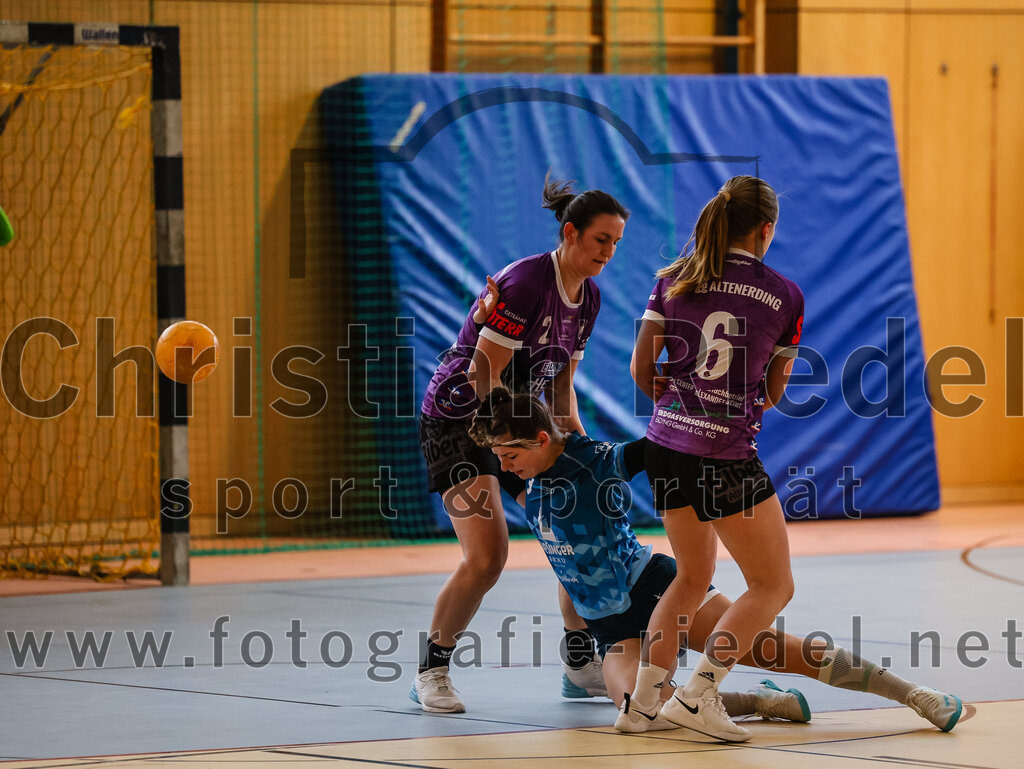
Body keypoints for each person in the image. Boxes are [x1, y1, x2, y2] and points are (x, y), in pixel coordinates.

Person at [468, 388, 964, 736]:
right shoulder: (525, 475)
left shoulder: (593, 461)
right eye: (498, 457)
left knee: (777, 649)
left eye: (508, 455)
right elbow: (567, 563)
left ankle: (916, 695)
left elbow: (658, 448)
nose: (503, 468)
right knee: (646, 715)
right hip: (611, 629)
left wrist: (702, 412)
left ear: (538, 437)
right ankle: (759, 700)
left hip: (654, 589)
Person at [412, 176, 631, 713]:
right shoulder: (528, 284)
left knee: (578, 528)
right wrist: (516, 440)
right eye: (601, 240)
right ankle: (431, 671)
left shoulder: (590, 298)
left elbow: (560, 384)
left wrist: (577, 449)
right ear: (570, 232)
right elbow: (484, 371)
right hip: (461, 421)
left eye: (617, 243)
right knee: (488, 557)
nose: (609, 252)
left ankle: (580, 665)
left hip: (517, 423)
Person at [626, 175, 803, 741]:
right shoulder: (784, 294)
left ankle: (642, 705)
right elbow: (774, 394)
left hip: (664, 446)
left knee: (690, 577)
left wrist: (680, 410)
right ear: (766, 229)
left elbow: (640, 371)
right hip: (724, 455)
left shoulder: (673, 280)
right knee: (772, 586)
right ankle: (699, 695)